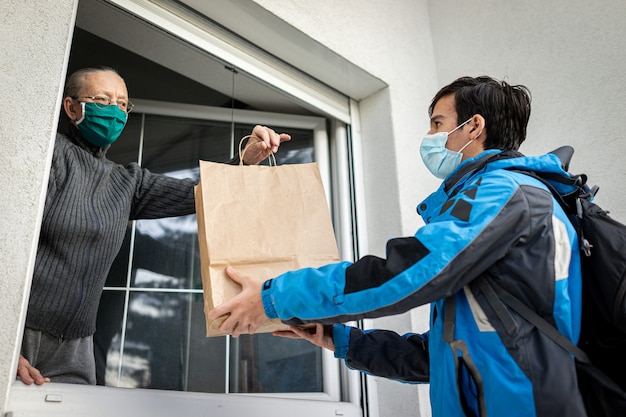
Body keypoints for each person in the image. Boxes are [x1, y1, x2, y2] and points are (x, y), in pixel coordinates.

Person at [208, 76, 587, 416]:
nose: (430, 136)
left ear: (474, 126)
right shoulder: (510, 197)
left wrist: (276, 297)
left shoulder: (504, 193)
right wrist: (342, 339)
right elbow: (436, 358)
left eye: (438, 124)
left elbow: (407, 272)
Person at [17, 66, 290, 386]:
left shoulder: (127, 182)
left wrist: (245, 161)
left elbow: (200, 193)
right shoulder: (48, 155)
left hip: (77, 343)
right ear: (72, 107)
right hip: (20, 329)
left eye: (122, 104)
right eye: (102, 100)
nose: (114, 111)